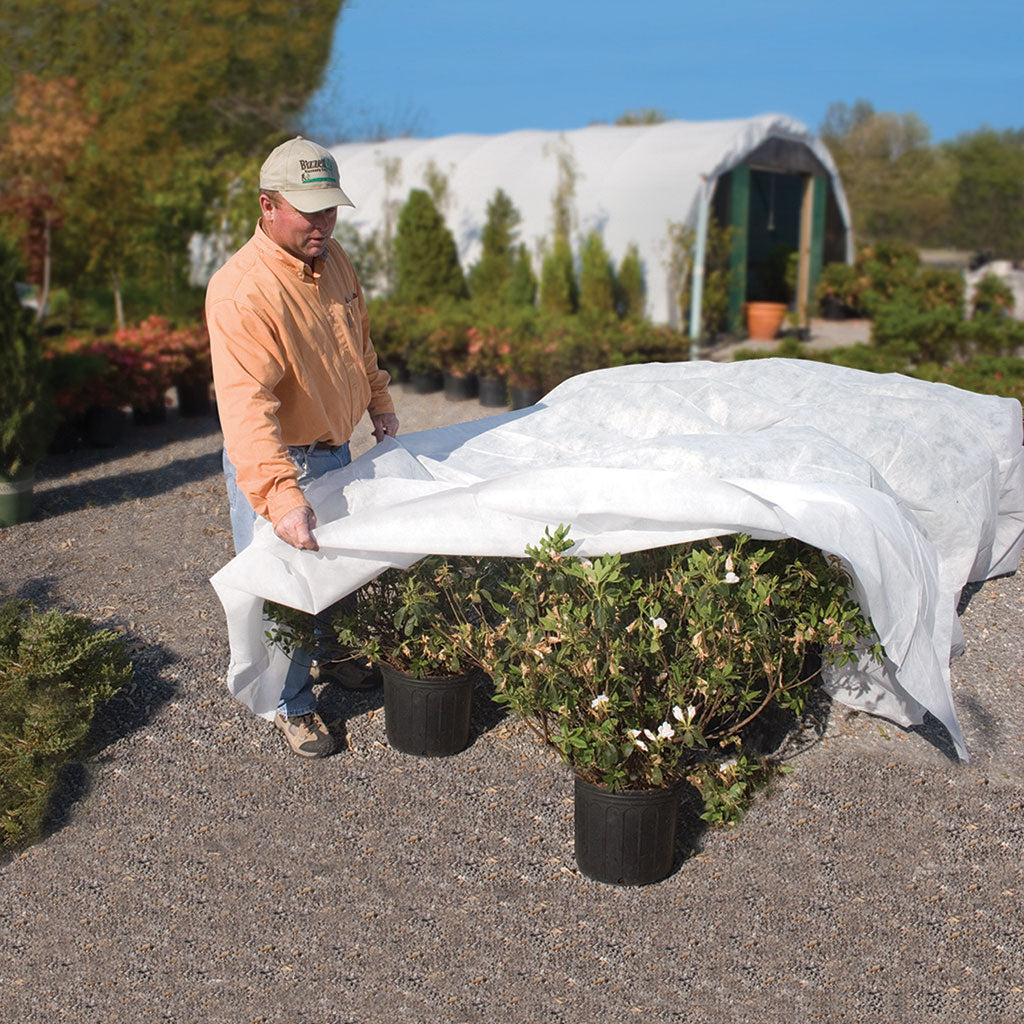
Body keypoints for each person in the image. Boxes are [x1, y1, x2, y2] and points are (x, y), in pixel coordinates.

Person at [206, 136, 399, 759]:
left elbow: (358, 341)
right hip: (283, 460)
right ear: (267, 206)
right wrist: (281, 497)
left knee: (337, 570)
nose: (324, 223)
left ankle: (333, 655)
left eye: (331, 209)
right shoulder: (242, 291)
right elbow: (246, 410)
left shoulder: (334, 259)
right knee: (284, 590)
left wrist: (379, 402)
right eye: (309, 211)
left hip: (335, 449)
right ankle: (292, 704)